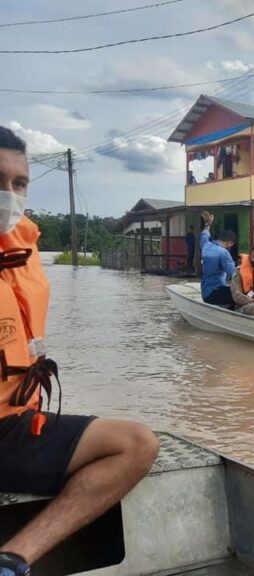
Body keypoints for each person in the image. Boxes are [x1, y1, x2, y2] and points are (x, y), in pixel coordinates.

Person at [0, 125, 159, 575]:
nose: (9, 194)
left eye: (19, 183)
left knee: (137, 444)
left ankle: (12, 559)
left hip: (11, 426)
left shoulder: (20, 249)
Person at [199, 211, 236, 307]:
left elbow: (204, 235)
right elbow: (234, 274)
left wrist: (207, 224)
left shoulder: (206, 246)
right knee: (243, 294)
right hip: (215, 294)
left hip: (205, 292)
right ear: (230, 243)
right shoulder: (224, 253)